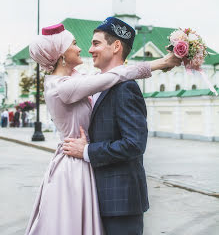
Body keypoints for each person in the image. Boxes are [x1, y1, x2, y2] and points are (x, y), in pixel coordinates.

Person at [25, 21, 180, 235]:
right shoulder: (63, 87)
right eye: (75, 43)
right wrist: (161, 63)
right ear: (61, 54)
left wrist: (87, 151)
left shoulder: (94, 83)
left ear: (115, 47)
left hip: (112, 192)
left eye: (94, 43)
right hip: (74, 171)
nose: (84, 49)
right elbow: (114, 76)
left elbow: (134, 143)